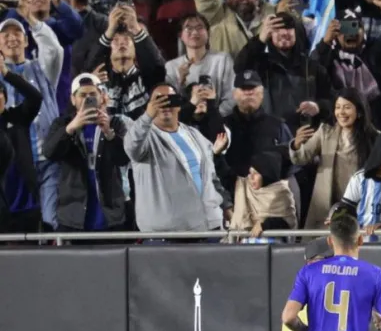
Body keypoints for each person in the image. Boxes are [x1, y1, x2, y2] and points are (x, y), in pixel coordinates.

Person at [124, 84, 226, 232]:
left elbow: (211, 175)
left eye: (170, 100)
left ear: (178, 105)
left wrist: (226, 206)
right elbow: (131, 147)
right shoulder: (145, 138)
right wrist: (147, 117)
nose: (165, 105)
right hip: (167, 233)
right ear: (149, 106)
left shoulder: (194, 134)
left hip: (209, 225)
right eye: (158, 101)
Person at [43, 72, 132, 232]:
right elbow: (50, 153)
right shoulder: (62, 123)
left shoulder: (115, 123)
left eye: (92, 94)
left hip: (110, 214)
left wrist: (109, 133)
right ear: (73, 99)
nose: (87, 99)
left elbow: (124, 159)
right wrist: (71, 128)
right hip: (73, 215)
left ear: (101, 96)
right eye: (82, 95)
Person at [290, 89, 379, 229]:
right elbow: (301, 158)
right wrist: (296, 145)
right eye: (338, 107)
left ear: (360, 112)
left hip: (361, 207)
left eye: (347, 107)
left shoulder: (374, 138)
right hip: (327, 209)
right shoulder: (325, 132)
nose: (341, 112)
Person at [0, 58, 42, 232]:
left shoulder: (18, 117)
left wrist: (6, 73)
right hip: (2, 204)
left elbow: (36, 97)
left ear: (5, 96)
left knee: (28, 248)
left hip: (26, 202)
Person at [165, 13, 237, 116]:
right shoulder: (171, 66)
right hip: (184, 122)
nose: (195, 32)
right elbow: (170, 104)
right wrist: (180, 81)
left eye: (199, 28)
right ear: (180, 35)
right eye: (188, 28)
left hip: (218, 119)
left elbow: (232, 97)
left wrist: (213, 117)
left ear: (208, 33)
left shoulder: (223, 60)